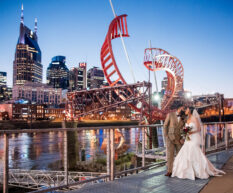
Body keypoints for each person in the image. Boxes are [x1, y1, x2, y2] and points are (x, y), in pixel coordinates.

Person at [172, 106, 225, 180]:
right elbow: (185, 130)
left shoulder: (195, 118)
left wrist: (190, 132)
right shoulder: (187, 119)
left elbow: (199, 129)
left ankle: (199, 171)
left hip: (194, 137)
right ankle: (188, 171)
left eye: (186, 109)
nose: (185, 111)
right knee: (186, 151)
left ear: (190, 110)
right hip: (188, 138)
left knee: (195, 151)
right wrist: (185, 134)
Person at [163, 104, 186, 177]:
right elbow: (165, 125)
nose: (184, 110)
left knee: (180, 155)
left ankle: (179, 171)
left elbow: (185, 129)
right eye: (183, 108)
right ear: (179, 108)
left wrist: (183, 137)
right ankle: (169, 171)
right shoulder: (170, 114)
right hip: (170, 138)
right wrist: (166, 136)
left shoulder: (183, 117)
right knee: (170, 155)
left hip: (179, 139)